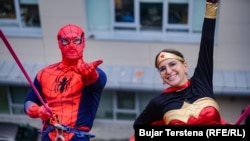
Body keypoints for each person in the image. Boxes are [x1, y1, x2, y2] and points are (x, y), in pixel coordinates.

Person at [133, 0, 226, 128]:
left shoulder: (201, 81)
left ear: (185, 66)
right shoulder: (159, 102)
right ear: (161, 77)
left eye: (172, 64)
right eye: (162, 69)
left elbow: (207, 42)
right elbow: (139, 126)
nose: (169, 71)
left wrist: (211, 6)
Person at [24, 24, 107, 141]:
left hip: (77, 136)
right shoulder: (44, 73)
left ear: (83, 42)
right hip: (49, 134)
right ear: (59, 43)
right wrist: (36, 110)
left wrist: (90, 75)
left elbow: (97, 82)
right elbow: (29, 101)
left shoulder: (94, 73)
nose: (71, 46)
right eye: (66, 41)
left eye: (76, 40)